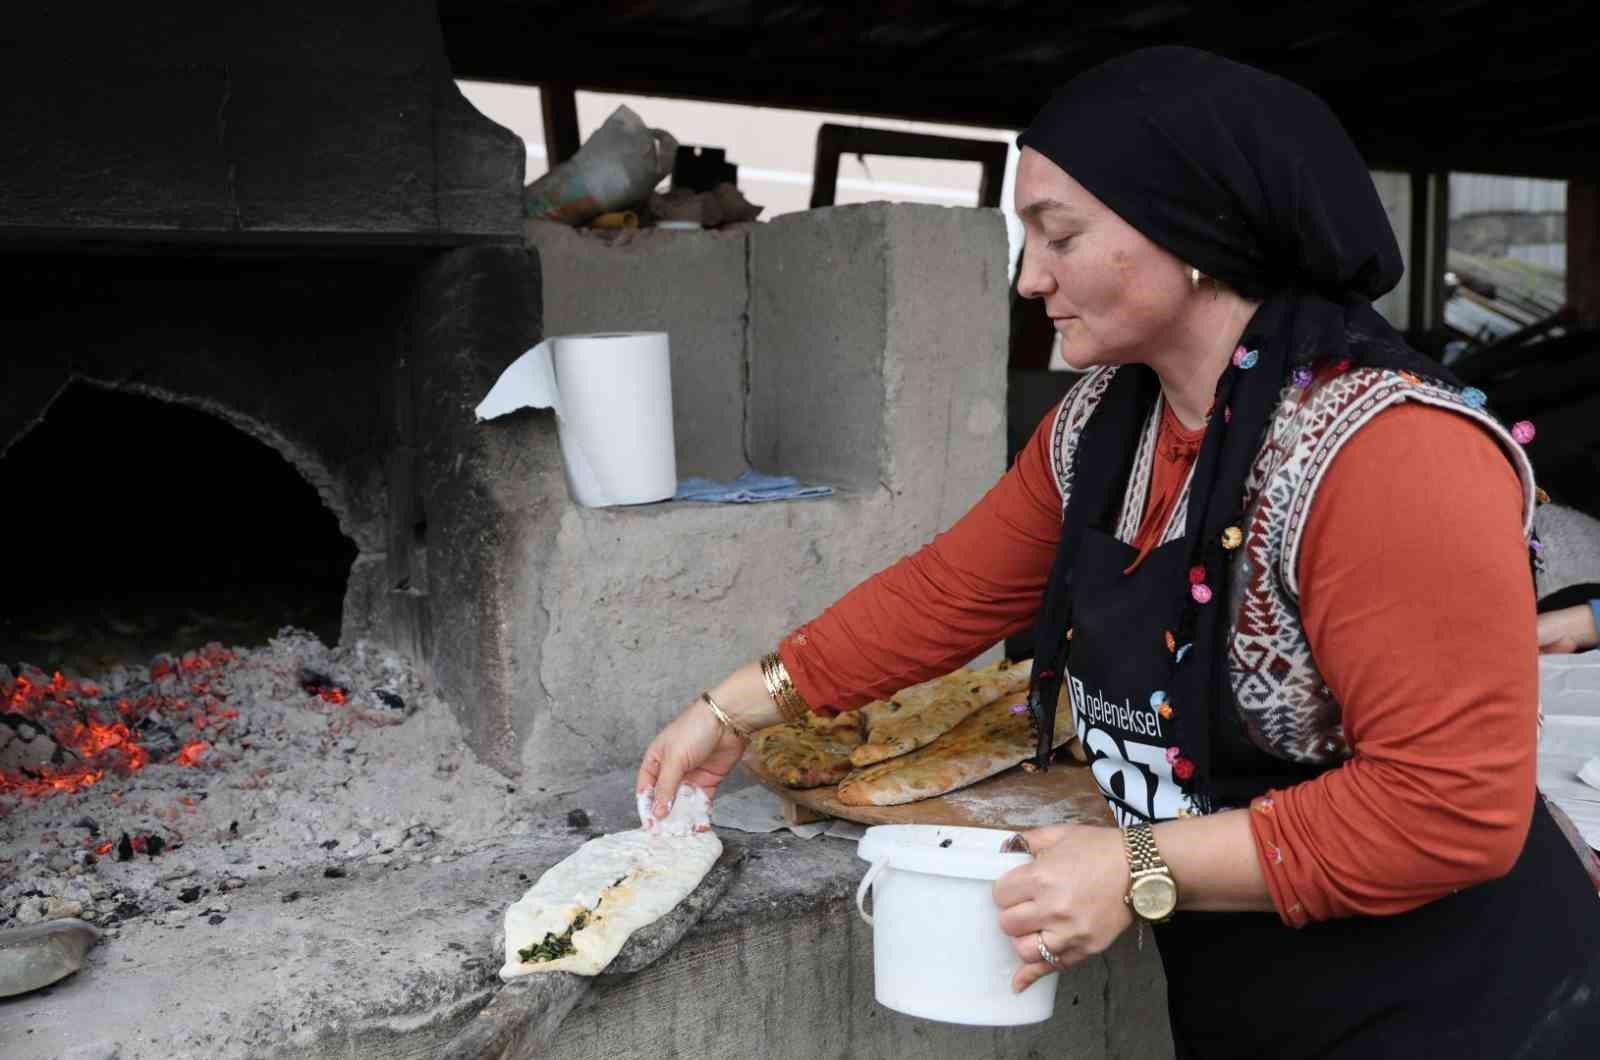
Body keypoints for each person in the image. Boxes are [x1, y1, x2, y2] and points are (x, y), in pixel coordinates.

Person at [636, 47, 1600, 1058]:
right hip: (1255, 991)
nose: (1028, 277)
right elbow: (945, 595)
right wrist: (737, 702)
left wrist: (1140, 859)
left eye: (1059, 235)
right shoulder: (1104, 426)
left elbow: (1447, 809)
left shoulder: (1388, 452)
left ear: (1194, 233)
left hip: (1469, 1009)